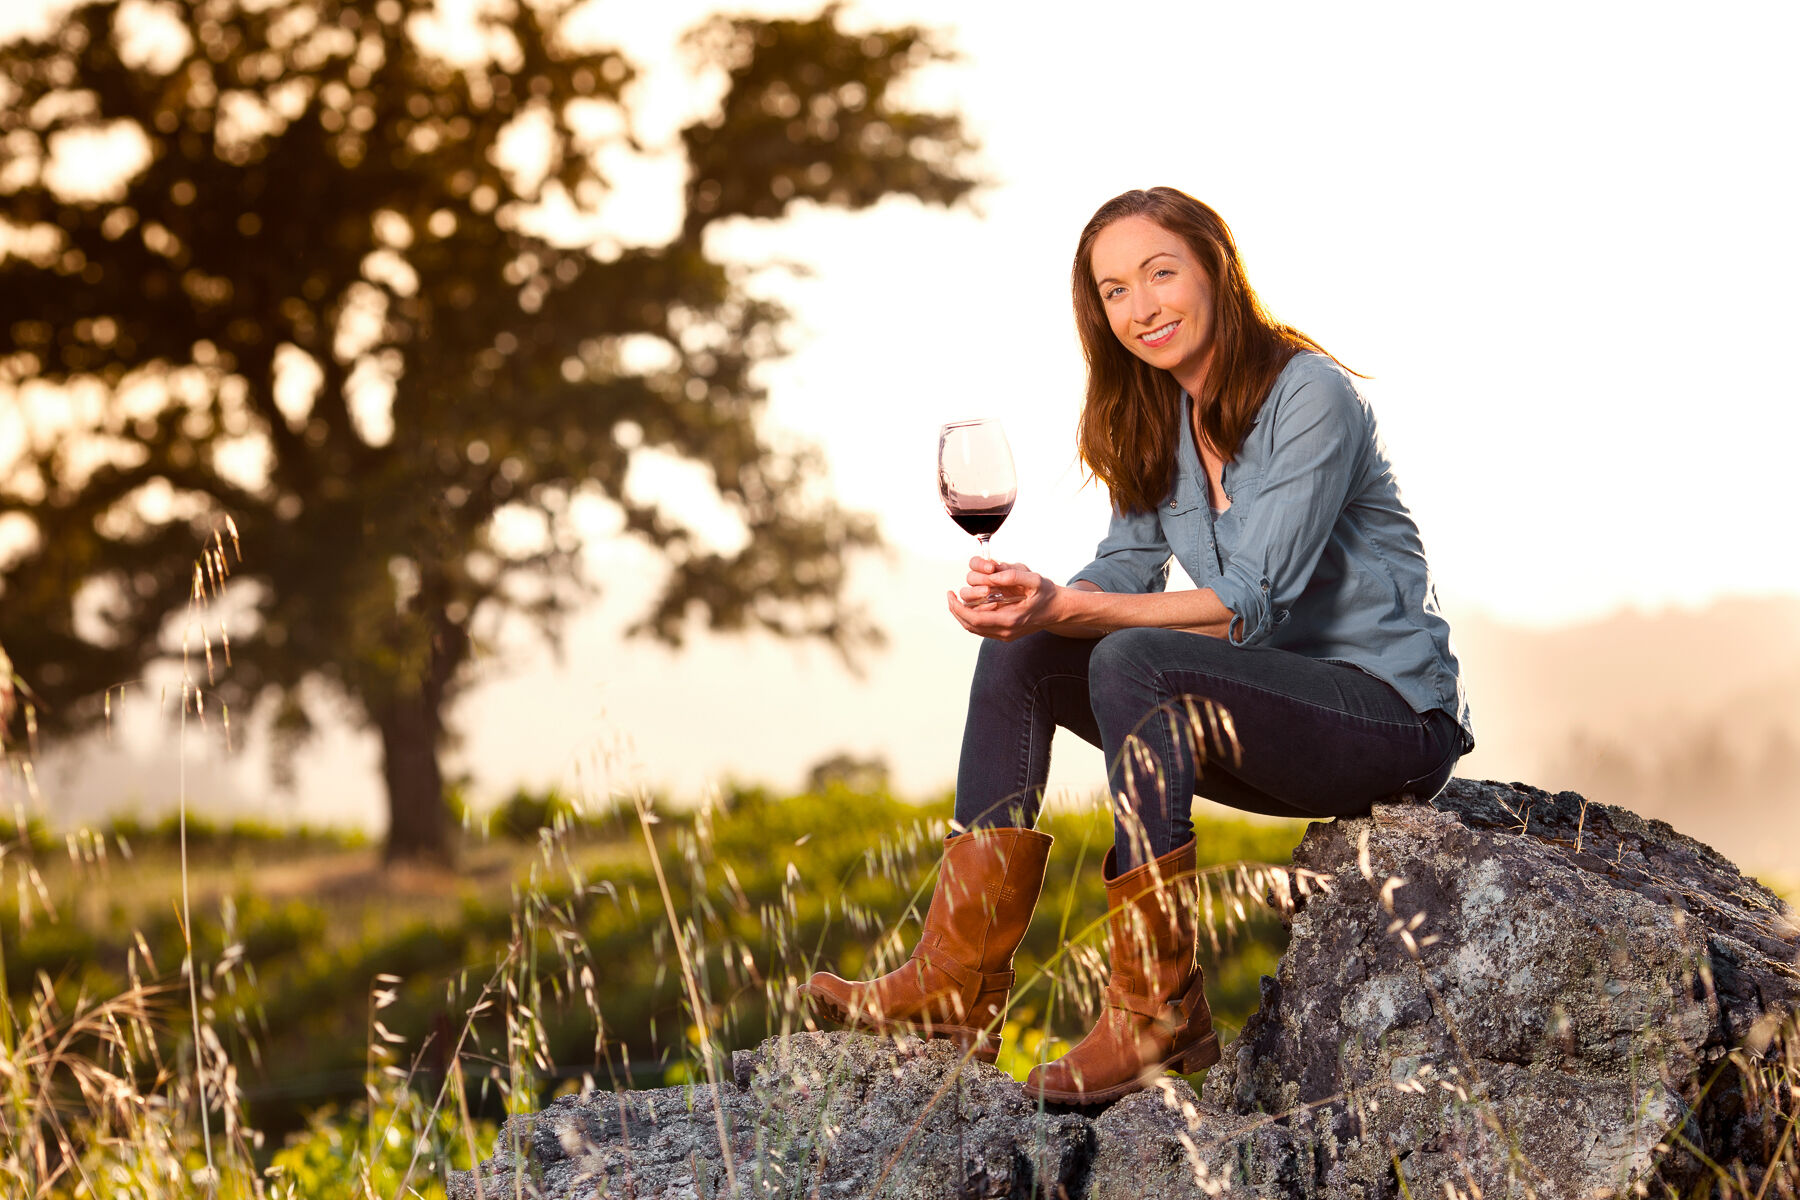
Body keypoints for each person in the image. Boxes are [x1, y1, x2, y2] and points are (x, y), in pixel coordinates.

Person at [800, 187, 1474, 1104]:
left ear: (1217, 269)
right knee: (1026, 651)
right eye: (1114, 291)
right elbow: (1123, 566)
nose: (1142, 307)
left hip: (1384, 720)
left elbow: (1250, 604)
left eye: (1161, 274)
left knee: (1123, 654)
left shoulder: (1310, 394)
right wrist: (1037, 603)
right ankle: (955, 985)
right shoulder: (1154, 410)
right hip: (1252, 720)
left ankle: (1154, 1009)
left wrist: (1068, 609)